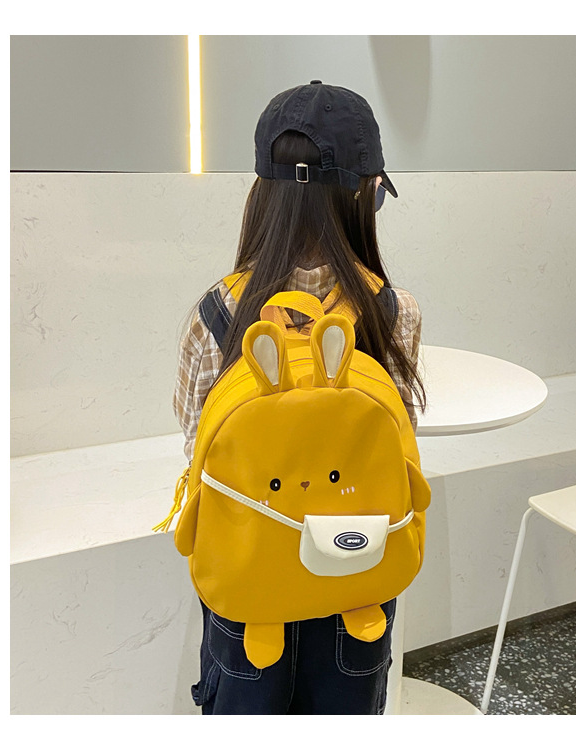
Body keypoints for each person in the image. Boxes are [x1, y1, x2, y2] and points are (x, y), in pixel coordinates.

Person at [173, 80, 427, 715]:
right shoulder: (394, 313)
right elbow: (394, 444)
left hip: (246, 583)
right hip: (357, 582)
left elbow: (197, 444)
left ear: (262, 194)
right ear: (366, 194)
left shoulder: (217, 313)